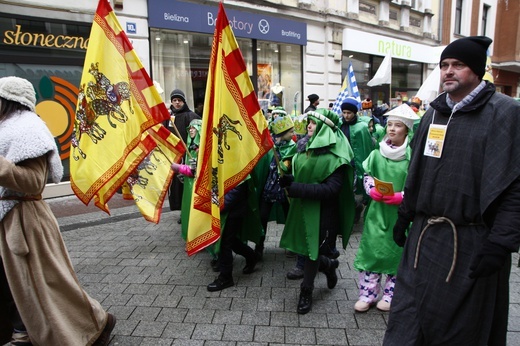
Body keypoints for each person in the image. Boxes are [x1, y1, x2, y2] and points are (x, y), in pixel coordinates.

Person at [383, 36, 520, 345]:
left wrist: (500, 243)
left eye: (458, 65)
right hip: (424, 237)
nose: (448, 71)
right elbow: (417, 170)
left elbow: (514, 186)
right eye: (444, 65)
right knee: (406, 322)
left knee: (461, 330)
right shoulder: (434, 113)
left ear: (477, 70)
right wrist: (405, 215)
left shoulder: (505, 112)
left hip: (471, 243)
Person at [0, 76, 115, 345]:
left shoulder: (28, 129)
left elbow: (32, 182)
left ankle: (96, 325)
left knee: (50, 284)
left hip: (26, 221)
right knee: (14, 283)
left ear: (8, 100)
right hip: (9, 221)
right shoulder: (5, 127)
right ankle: (24, 331)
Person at [279, 108, 356, 314]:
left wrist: (296, 188)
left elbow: (331, 189)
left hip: (323, 213)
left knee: (311, 253)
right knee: (305, 249)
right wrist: (290, 180)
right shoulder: (304, 149)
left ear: (324, 127)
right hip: (302, 209)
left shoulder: (336, 157)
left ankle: (306, 291)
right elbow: (305, 176)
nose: (309, 126)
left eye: (313, 123)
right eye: (309, 122)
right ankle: (329, 266)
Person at [353, 104, 418, 313]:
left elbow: (417, 184)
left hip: (399, 214)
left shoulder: (412, 157)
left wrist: (402, 197)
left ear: (406, 129)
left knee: (395, 253)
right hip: (377, 212)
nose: (391, 129)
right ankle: (367, 293)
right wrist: (371, 189)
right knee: (372, 251)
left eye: (397, 126)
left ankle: (391, 294)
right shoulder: (377, 153)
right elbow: (367, 174)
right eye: (389, 124)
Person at [255, 111, 296, 260]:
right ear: (282, 133)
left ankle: (292, 245)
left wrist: (284, 163)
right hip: (269, 187)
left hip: (284, 188)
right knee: (262, 216)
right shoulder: (270, 145)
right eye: (290, 131)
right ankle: (259, 247)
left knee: (290, 216)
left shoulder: (292, 147)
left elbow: (287, 167)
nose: (293, 133)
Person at [207, 176, 260, 292]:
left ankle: (226, 277)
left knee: (225, 243)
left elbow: (236, 191)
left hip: (232, 212)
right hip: (226, 209)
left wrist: (216, 204)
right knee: (230, 241)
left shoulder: (238, 166)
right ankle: (251, 256)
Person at [339, 97, 375, 222]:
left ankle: (354, 211)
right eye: (344, 112)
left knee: (352, 191)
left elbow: (366, 147)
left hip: (354, 164)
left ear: (355, 112)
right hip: (341, 163)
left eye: (349, 113)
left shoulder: (362, 127)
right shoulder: (339, 124)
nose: (346, 115)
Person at [165, 89, 200, 213]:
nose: (177, 103)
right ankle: (180, 209)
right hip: (174, 155)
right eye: (174, 100)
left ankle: (188, 210)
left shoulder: (191, 116)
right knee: (176, 185)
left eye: (179, 100)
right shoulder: (169, 117)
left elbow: (198, 131)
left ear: (184, 101)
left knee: (186, 184)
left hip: (188, 155)